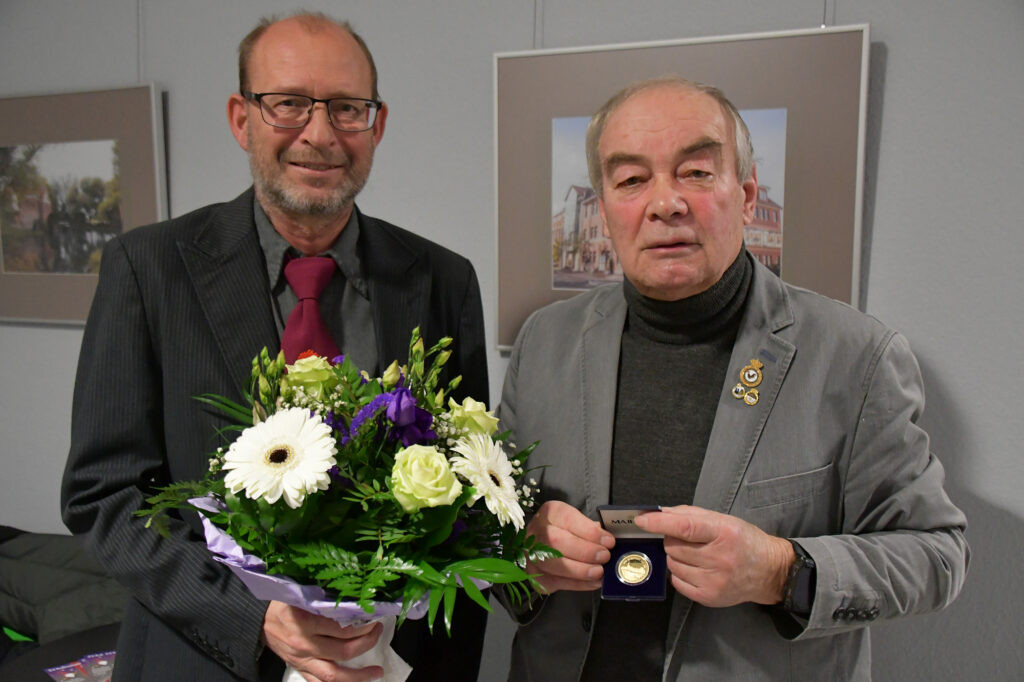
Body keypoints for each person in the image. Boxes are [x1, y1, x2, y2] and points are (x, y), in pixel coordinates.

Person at [61, 12, 488, 682]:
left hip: (389, 664)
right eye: (289, 103)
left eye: (348, 108)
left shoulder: (441, 279)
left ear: (376, 125)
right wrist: (251, 614)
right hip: (200, 659)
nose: (320, 134)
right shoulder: (149, 269)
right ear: (242, 119)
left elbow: (467, 492)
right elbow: (107, 495)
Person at [498, 77, 968, 680]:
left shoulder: (857, 357)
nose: (665, 203)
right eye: (632, 179)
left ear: (746, 195)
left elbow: (937, 554)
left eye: (695, 172)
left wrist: (781, 570)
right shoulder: (544, 342)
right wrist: (522, 553)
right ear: (606, 205)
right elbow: (489, 538)